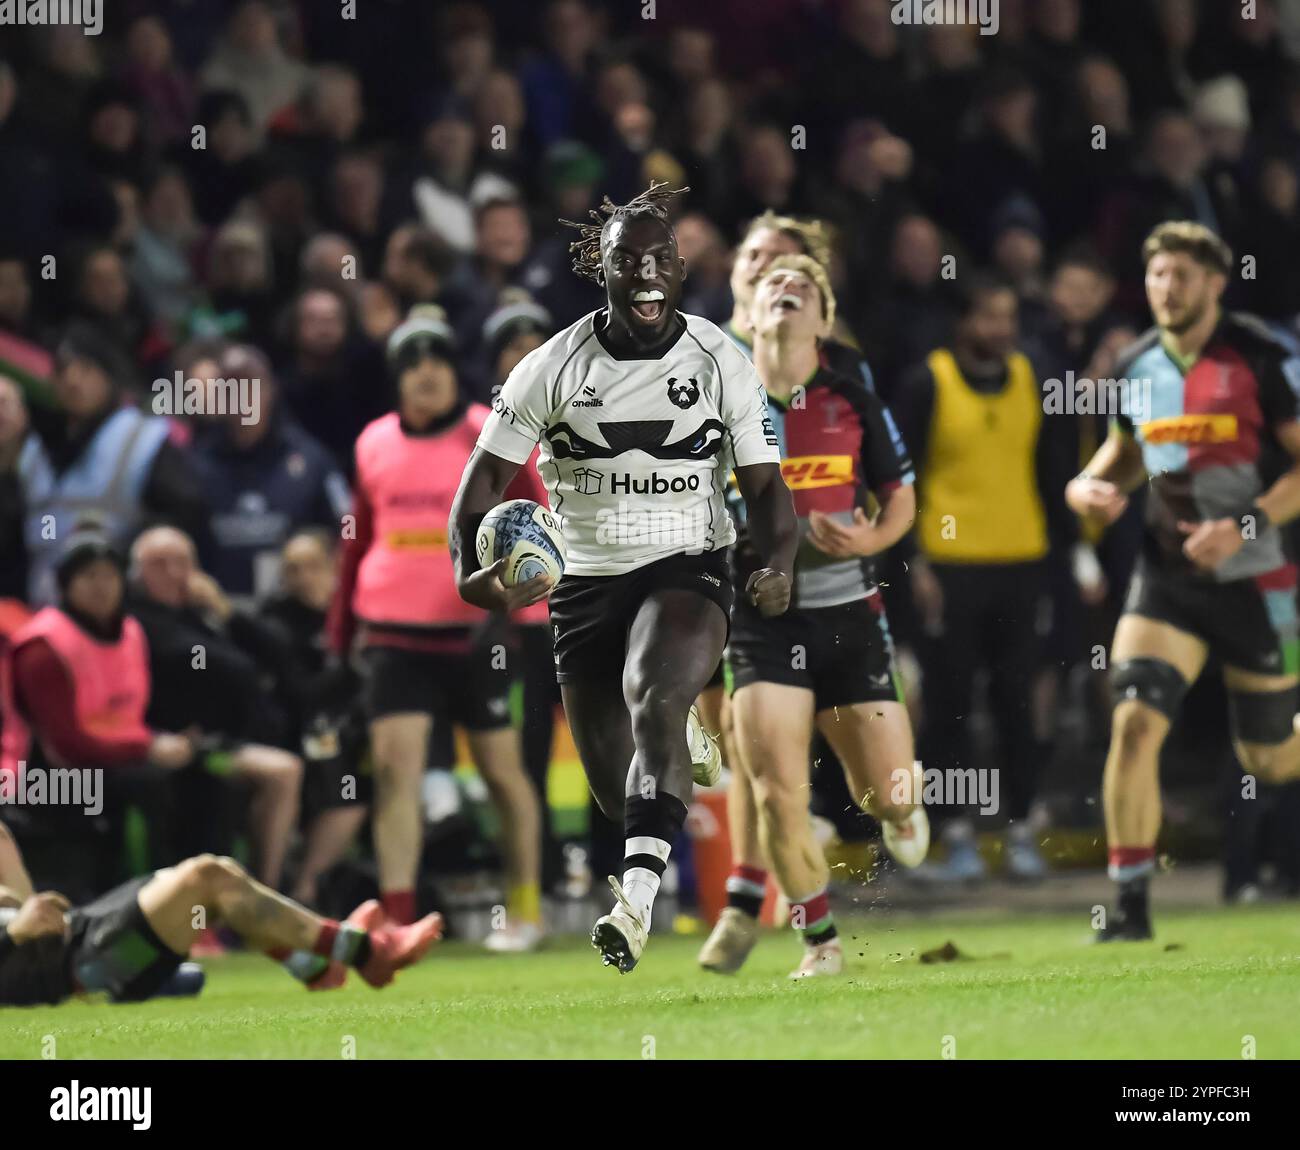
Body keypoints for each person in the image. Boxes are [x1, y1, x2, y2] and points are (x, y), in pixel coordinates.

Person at [450, 182, 799, 973]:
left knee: (656, 692)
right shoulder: (551, 366)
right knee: (619, 791)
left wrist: (775, 563)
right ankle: (683, 743)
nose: (644, 275)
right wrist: (471, 576)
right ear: (599, 270)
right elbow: (476, 494)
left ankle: (634, 905)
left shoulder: (719, 360)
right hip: (582, 582)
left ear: (680, 269)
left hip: (688, 561)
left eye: (659, 261)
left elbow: (770, 492)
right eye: (625, 262)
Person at [1065, 221, 1300, 941]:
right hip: (1168, 578)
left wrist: (1246, 526)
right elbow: (1124, 454)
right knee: (1133, 723)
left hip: (1260, 579)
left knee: (1269, 755)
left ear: (1216, 283)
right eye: (1159, 275)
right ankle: (1130, 903)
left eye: (1183, 276)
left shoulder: (1260, 355)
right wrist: (1086, 488)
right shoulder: (1135, 364)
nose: (1168, 288)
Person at [697, 256, 928, 979]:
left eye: (804, 290)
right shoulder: (711, 404)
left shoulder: (853, 396)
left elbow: (900, 498)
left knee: (886, 798)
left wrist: (869, 539)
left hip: (850, 610)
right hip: (764, 623)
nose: (786, 292)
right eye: (773, 286)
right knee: (773, 789)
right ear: (751, 312)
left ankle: (903, 809)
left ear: (824, 321)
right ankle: (820, 942)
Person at [328, 306, 545, 950]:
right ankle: (397, 924)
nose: (426, 374)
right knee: (397, 776)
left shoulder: (492, 431)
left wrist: (527, 608)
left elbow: (534, 512)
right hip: (394, 633)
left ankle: (526, 912)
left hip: (479, 634)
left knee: (506, 776)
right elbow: (356, 543)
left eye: (437, 361)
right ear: (396, 379)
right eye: (411, 364)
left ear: (456, 370)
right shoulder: (372, 443)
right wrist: (340, 634)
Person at [897, 272, 1073, 881]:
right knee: (949, 703)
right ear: (962, 322)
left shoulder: (1035, 379)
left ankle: (1022, 827)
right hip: (950, 567)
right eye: (989, 316)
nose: (1002, 329)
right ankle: (958, 837)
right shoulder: (928, 382)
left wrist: (1072, 556)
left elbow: (1055, 474)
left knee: (1019, 702)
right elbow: (901, 477)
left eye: (1008, 317)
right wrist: (913, 561)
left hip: (1023, 560)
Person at [0, 818, 441, 1006]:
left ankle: (315, 967)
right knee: (208, 880)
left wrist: (26, 920)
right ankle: (364, 952)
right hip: (74, 976)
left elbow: (22, 907)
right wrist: (14, 934)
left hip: (72, 939)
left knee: (215, 878)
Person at [127, 526, 304, 889]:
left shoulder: (200, 615)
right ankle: (266, 893)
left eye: (183, 563)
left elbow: (278, 653)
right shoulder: (139, 619)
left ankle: (293, 887)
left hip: (226, 740)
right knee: (284, 772)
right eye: (160, 564)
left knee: (332, 773)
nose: (175, 574)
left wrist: (225, 610)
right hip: (190, 746)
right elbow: (232, 667)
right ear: (138, 572)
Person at [16, 325, 208, 605]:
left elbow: (186, 510)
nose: (73, 381)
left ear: (108, 375)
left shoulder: (144, 437)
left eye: (86, 369)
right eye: (63, 370)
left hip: (121, 609)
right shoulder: (33, 448)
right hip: (42, 611)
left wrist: (128, 561)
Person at [259, 529, 369, 909]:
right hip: (292, 731)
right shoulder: (275, 620)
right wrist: (349, 662)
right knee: (346, 789)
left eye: (312, 567)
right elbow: (302, 693)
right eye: (292, 569)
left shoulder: (358, 610)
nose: (303, 577)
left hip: (356, 728)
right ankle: (296, 891)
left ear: (334, 567)